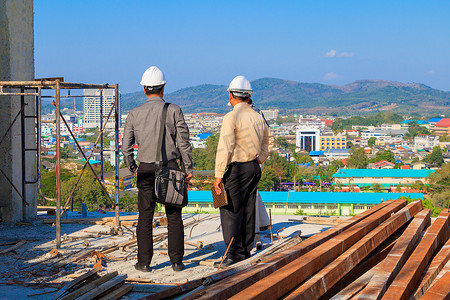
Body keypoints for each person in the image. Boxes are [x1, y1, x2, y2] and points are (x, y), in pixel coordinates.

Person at [122, 66, 193, 272]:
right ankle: (177, 262)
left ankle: (144, 262)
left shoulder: (134, 113)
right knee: (174, 215)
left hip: (145, 168)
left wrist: (134, 167)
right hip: (170, 168)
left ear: (144, 90)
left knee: (145, 217)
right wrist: (187, 168)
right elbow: (184, 143)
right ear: (163, 89)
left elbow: (126, 148)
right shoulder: (174, 110)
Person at [214, 75, 273, 266]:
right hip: (253, 167)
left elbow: (225, 147)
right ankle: (246, 250)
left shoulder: (231, 117)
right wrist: (260, 158)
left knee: (230, 210)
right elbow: (269, 141)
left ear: (231, 95)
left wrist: (218, 175)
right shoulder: (257, 116)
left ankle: (233, 254)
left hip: (237, 168)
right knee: (248, 208)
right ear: (248, 96)